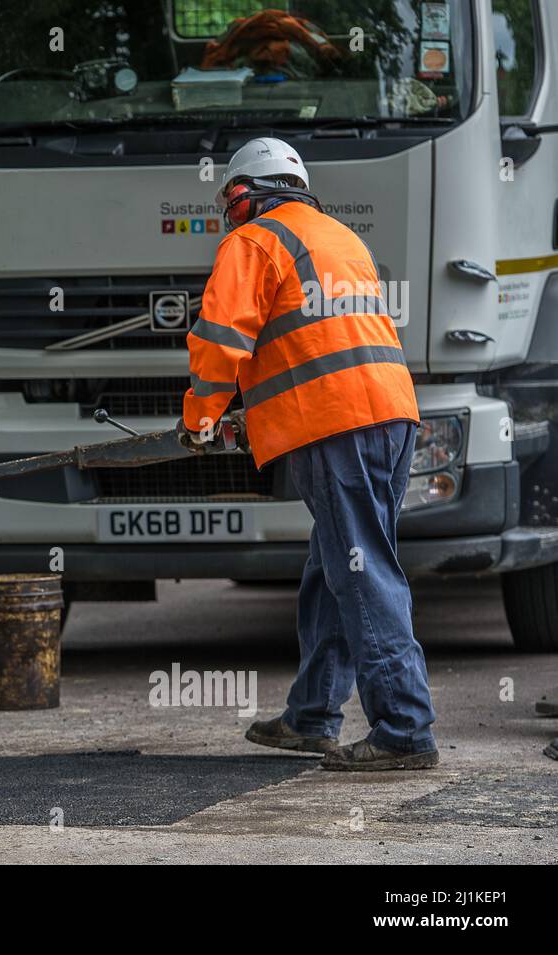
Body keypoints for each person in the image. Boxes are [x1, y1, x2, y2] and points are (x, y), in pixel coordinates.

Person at [179, 137, 438, 770]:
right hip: (390, 416)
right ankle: (313, 715)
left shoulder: (253, 242)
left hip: (335, 427)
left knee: (360, 571)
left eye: (229, 202)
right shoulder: (339, 238)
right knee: (335, 567)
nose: (228, 215)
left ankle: (404, 730)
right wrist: (259, 412)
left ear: (243, 196)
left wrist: (202, 417)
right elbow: (319, 340)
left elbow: (221, 339)